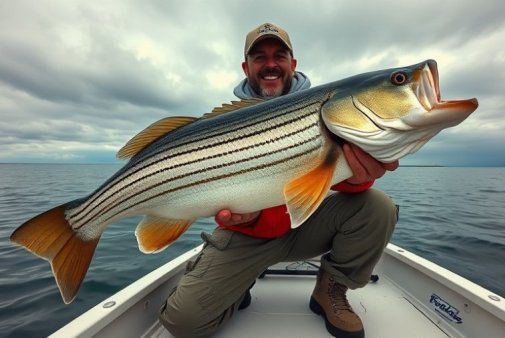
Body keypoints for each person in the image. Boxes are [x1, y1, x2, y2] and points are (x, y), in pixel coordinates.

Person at [159, 22, 399, 338]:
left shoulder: (328, 108)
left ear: (293, 64)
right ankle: (235, 285)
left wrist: (359, 174)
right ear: (246, 67)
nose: (270, 64)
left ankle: (330, 291)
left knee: (377, 206)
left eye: (279, 55)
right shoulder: (224, 122)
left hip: (303, 227)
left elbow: (342, 183)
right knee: (183, 322)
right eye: (259, 57)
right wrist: (250, 217)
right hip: (244, 236)